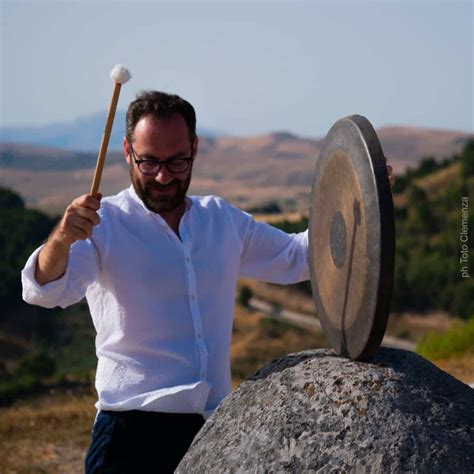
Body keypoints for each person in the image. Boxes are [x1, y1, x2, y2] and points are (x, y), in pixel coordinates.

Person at [21, 91, 394, 473]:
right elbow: (45, 290)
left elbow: (301, 256)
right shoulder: (104, 225)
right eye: (149, 162)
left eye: (177, 161)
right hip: (129, 435)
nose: (163, 176)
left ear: (195, 149)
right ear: (127, 151)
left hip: (214, 431)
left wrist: (363, 194)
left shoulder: (222, 220)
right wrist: (62, 239)